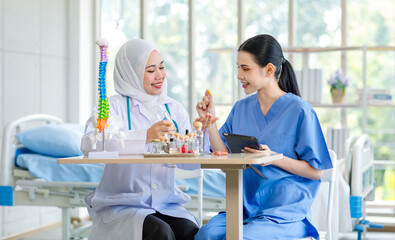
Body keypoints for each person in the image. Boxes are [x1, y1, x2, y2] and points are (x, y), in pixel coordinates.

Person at [194, 34, 333, 240]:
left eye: (245, 68)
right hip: (243, 209)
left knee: (243, 238)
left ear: (269, 69)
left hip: (284, 212)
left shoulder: (300, 110)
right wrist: (210, 123)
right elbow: (224, 162)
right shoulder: (241, 108)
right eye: (238, 68)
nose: (239, 75)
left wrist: (274, 157)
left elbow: (316, 172)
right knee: (205, 235)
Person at [81, 39, 199, 240]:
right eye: (150, 70)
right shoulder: (112, 106)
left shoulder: (174, 109)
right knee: (160, 232)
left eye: (161, 67)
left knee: (190, 232)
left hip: (167, 203)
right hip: (123, 204)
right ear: (131, 74)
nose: (160, 75)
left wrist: (201, 133)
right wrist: (145, 136)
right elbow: (90, 144)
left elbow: (189, 165)